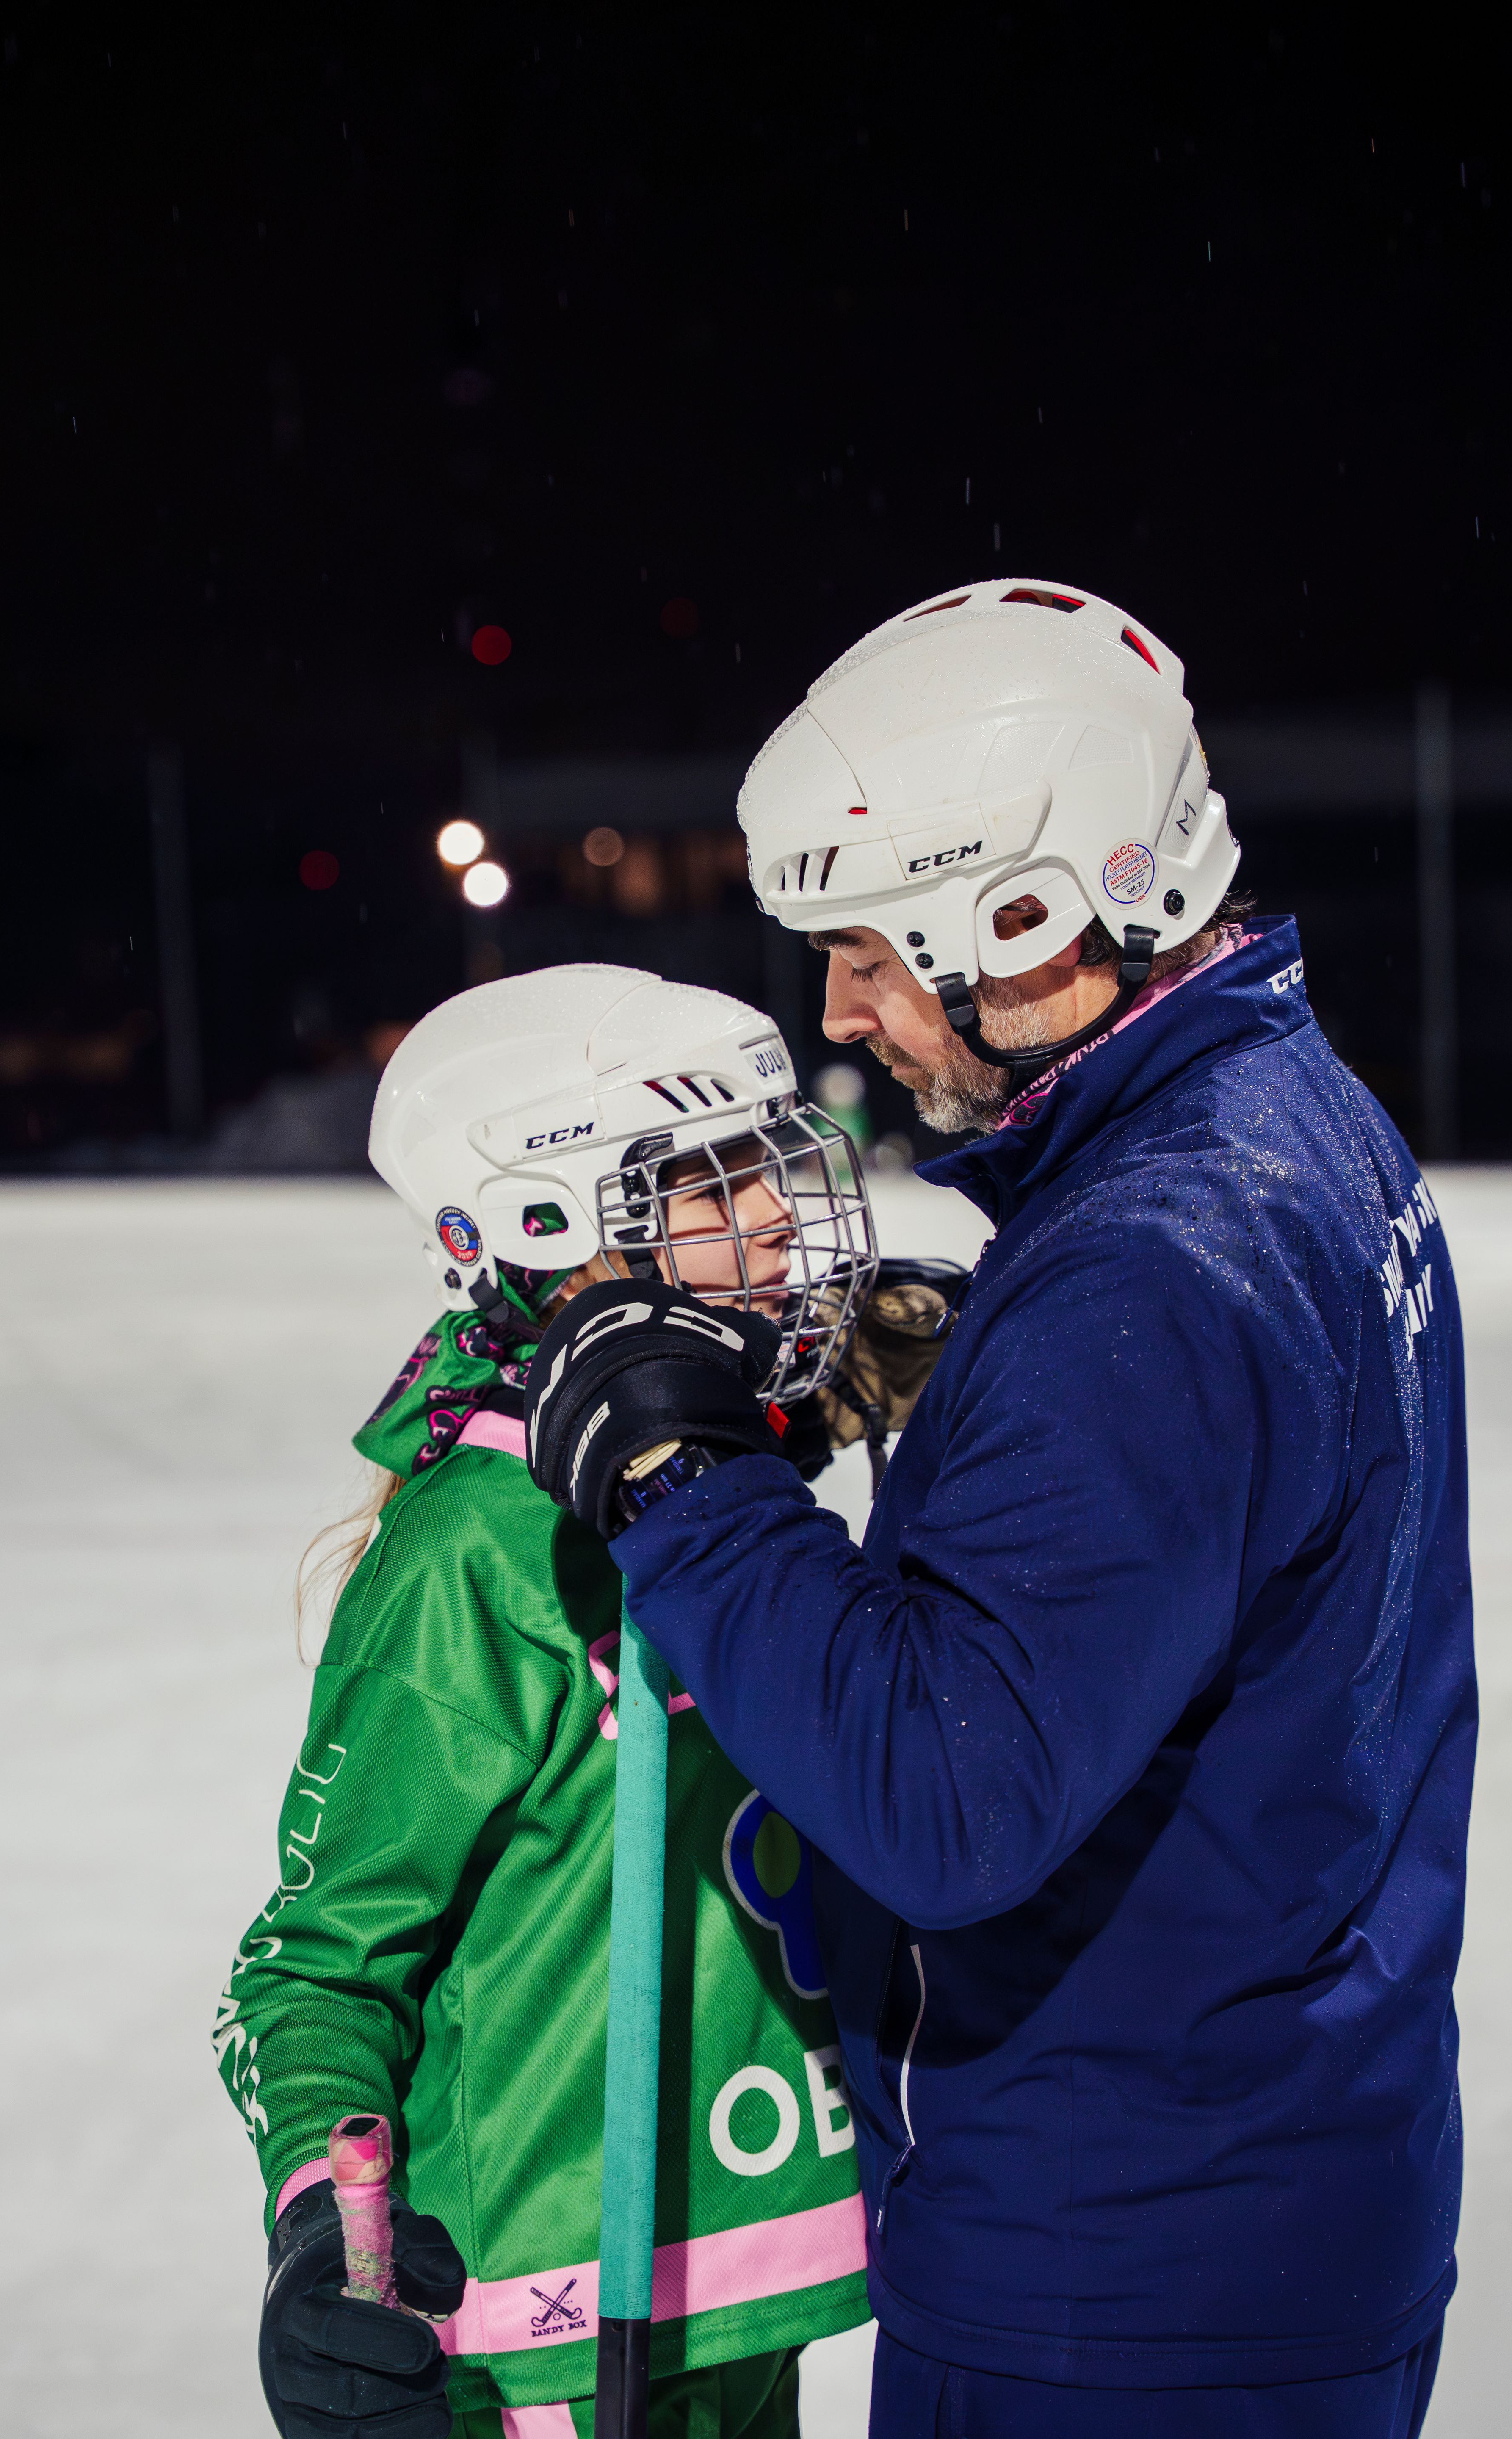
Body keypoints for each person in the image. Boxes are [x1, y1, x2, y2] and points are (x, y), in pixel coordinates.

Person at [523, 583, 1475, 2438]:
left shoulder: (1156, 1268)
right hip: (1273, 2196)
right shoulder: (1287, 1120)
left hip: (1117, 2281)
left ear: (1027, 918)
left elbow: (944, 1798)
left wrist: (681, 1476)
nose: (839, 1012)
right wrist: (983, 1390)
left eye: (870, 954)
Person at [215, 964, 888, 2439]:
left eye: (769, 1172)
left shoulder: (731, 1477)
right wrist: (327, 2233)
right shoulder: (481, 1548)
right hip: (555, 2337)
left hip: (730, 2292)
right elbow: (313, 1965)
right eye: (716, 1192)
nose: (780, 1222)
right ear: (554, 1227)